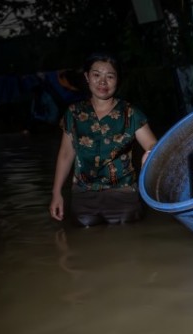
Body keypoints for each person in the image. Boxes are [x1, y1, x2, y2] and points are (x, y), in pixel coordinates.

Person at [49, 52, 157, 227]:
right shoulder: (74, 113)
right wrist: (56, 193)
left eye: (110, 76)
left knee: (128, 244)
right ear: (87, 77)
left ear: (117, 80)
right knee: (85, 244)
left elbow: (152, 144)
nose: (102, 82)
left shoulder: (130, 113)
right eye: (96, 75)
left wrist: (151, 152)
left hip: (123, 194)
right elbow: (66, 154)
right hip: (83, 194)